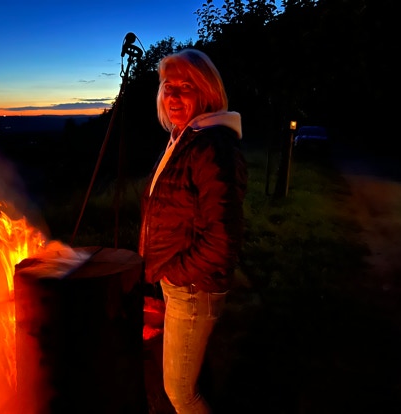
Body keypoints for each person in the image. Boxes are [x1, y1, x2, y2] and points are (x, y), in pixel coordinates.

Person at [138, 48, 247, 413]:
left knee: (181, 393)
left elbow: (222, 239)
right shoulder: (185, 139)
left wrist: (175, 274)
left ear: (207, 92)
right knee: (185, 379)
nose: (173, 95)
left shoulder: (213, 147)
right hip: (182, 282)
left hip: (193, 287)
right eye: (168, 86)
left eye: (186, 86)